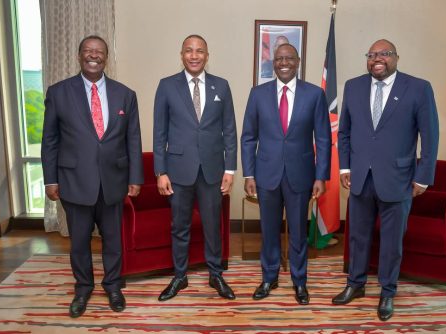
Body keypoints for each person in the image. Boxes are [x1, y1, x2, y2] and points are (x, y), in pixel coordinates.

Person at [333, 39, 439, 321]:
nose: (377, 59)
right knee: (357, 237)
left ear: (396, 58)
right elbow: (344, 132)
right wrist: (344, 168)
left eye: (384, 54)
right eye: (371, 55)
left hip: (399, 179)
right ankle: (355, 284)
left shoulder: (418, 88)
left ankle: (387, 291)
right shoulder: (353, 86)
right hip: (360, 178)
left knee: (392, 241)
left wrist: (423, 177)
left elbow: (430, 136)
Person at [41, 35, 144, 318]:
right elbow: (50, 139)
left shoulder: (125, 94)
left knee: (113, 240)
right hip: (74, 182)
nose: (93, 55)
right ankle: (83, 288)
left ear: (106, 57)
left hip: (113, 182)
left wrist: (135, 178)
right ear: (79, 55)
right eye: (88, 51)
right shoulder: (59, 92)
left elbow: (132, 140)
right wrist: (51, 179)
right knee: (79, 242)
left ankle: (112, 285)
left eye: (99, 52)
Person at [241, 43, 331, 305]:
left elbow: (323, 139)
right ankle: (269, 278)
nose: (283, 63)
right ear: (273, 63)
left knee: (299, 233)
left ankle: (299, 281)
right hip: (266, 174)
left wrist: (320, 176)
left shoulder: (314, 94)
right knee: (268, 231)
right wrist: (248, 174)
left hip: (301, 175)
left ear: (298, 61)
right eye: (279, 58)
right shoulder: (257, 94)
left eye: (289, 58)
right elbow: (248, 138)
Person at [153, 34, 237, 301]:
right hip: (177, 170)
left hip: (213, 169)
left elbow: (230, 131)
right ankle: (180, 276)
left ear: (207, 56)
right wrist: (160, 171)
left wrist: (230, 169)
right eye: (189, 50)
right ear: (181, 55)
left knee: (213, 225)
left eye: (200, 51)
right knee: (180, 226)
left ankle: (216, 274)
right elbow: (159, 133)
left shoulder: (221, 87)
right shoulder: (167, 86)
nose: (194, 55)